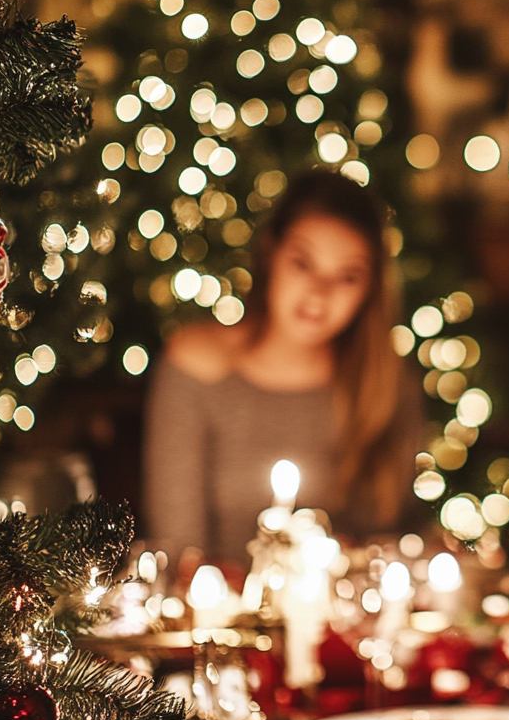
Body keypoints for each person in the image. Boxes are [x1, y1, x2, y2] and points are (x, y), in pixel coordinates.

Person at [143, 170, 418, 569]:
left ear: (370, 288)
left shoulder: (384, 383)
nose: (320, 293)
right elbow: (181, 551)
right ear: (271, 254)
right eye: (303, 263)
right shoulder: (197, 367)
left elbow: (389, 544)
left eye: (348, 276)